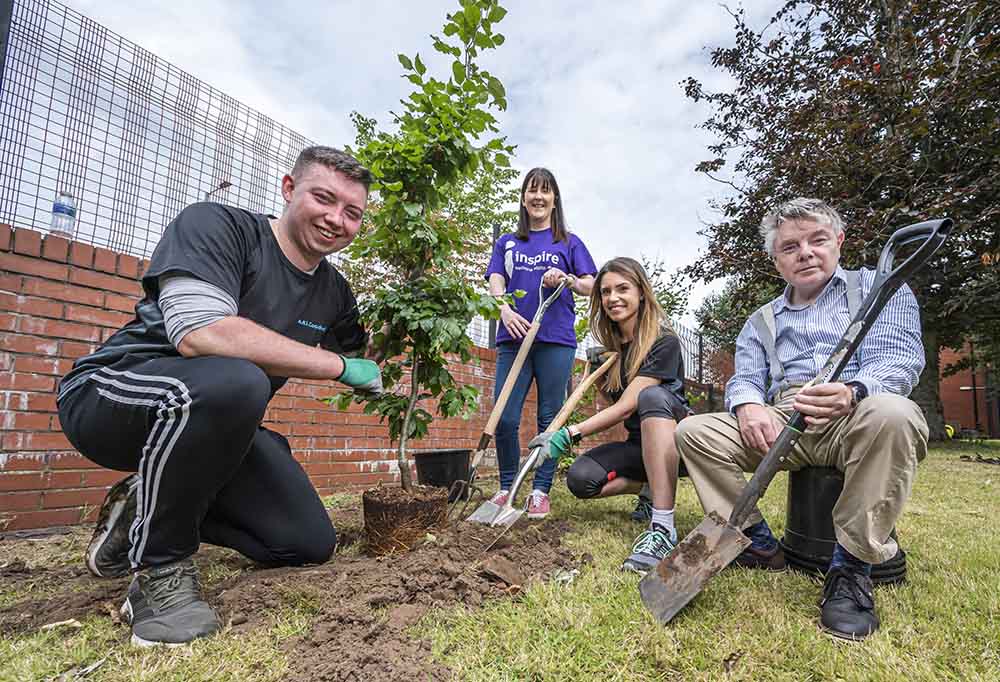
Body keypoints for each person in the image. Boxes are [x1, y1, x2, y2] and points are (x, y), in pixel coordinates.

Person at [57, 146, 383, 647]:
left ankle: (142, 504)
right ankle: (160, 574)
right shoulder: (219, 227)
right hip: (116, 393)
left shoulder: (334, 292)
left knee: (306, 542)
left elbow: (368, 349)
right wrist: (340, 367)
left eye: (353, 212)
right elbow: (200, 332)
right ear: (289, 189)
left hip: (217, 425)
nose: (336, 219)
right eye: (324, 198)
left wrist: (420, 304)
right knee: (240, 379)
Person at [675, 198, 928, 641]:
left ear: (839, 243)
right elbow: (747, 379)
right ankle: (758, 544)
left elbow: (899, 361)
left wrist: (854, 391)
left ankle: (850, 566)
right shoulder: (760, 321)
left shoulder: (880, 288)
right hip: (784, 418)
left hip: (856, 407)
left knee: (893, 413)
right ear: (777, 261)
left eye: (817, 240)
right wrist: (748, 405)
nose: (805, 252)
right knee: (694, 431)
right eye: (790, 247)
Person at [528, 257, 691, 574]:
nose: (613, 298)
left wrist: (570, 434)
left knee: (652, 396)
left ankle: (662, 526)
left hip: (678, 447)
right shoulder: (612, 350)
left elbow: (630, 405)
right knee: (581, 479)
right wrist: (602, 375)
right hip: (638, 445)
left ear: (641, 292)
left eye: (622, 289)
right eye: (605, 292)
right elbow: (613, 406)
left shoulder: (664, 341)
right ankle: (647, 489)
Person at [484, 167, 597, 519]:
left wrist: (567, 278)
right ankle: (506, 487)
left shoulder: (568, 242)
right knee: (504, 417)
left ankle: (539, 490)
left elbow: (592, 284)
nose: (538, 196)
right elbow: (496, 281)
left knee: (549, 418)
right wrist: (503, 311)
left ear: (554, 199)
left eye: (545, 191)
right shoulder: (508, 242)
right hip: (513, 339)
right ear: (523, 198)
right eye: (532, 190)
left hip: (556, 339)